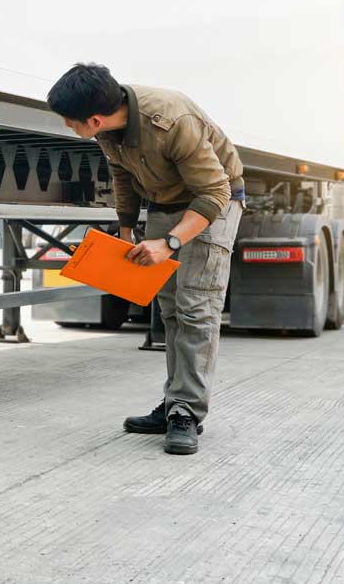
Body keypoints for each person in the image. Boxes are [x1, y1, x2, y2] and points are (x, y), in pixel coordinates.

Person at [47, 63, 243, 455]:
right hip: (164, 202)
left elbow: (215, 192)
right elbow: (122, 176)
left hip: (212, 204)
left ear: (94, 118)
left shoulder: (172, 121)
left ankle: (187, 411)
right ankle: (175, 404)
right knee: (169, 309)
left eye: (70, 122)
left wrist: (168, 243)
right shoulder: (108, 130)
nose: (69, 128)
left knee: (196, 308)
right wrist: (124, 231)